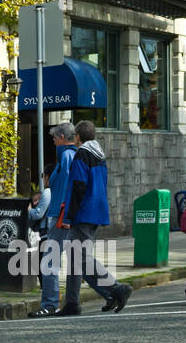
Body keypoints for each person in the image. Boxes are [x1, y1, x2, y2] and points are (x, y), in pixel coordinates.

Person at [56, 120, 132, 316]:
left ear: (78, 137)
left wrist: (69, 215)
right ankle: (77, 301)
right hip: (97, 210)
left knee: (79, 258)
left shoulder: (82, 154)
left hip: (84, 212)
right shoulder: (99, 155)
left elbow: (79, 186)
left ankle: (115, 288)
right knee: (76, 258)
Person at [29, 123, 78, 318]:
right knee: (76, 260)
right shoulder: (67, 155)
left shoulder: (66, 156)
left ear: (63, 138)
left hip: (60, 216)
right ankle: (112, 290)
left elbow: (67, 186)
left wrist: (63, 216)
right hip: (61, 215)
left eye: (55, 138)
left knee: (49, 262)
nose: (53, 141)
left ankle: (50, 304)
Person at [25, 163, 58, 316]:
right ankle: (50, 299)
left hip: (46, 233)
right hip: (53, 231)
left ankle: (49, 299)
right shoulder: (58, 190)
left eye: (43, 176)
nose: (42, 179)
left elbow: (39, 213)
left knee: (43, 266)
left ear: (47, 176)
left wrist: (29, 211)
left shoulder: (48, 192)